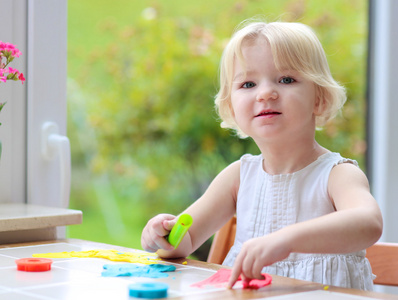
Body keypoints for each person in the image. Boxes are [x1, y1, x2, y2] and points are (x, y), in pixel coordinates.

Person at [141, 20, 383, 291]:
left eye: (286, 79)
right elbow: (185, 241)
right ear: (231, 107)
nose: (266, 93)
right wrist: (162, 235)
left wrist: (286, 240)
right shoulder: (238, 177)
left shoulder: (337, 174)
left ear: (319, 98)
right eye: (248, 84)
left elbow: (368, 223)